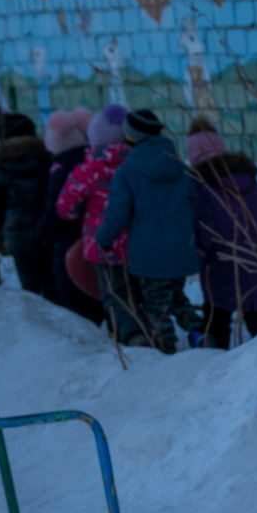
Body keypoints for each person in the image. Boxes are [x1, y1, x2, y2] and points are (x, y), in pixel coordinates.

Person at [96, 109, 199, 352]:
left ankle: (166, 354)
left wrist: (103, 238)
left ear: (129, 136)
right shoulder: (181, 168)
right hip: (181, 250)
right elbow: (194, 204)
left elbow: (117, 214)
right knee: (175, 297)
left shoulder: (128, 171)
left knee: (156, 308)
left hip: (149, 256)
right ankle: (198, 332)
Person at [185, 119, 257, 348]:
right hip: (255, 259)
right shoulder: (249, 179)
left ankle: (216, 364)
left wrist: (197, 253)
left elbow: (207, 224)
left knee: (217, 320)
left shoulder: (204, 185)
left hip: (221, 263)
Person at [54, 104, 131, 337]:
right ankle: (147, 333)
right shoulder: (135, 165)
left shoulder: (87, 169)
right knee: (137, 292)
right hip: (138, 244)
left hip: (102, 246)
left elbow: (65, 208)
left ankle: (125, 340)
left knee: (112, 294)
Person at [36, 109, 106, 324]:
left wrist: (41, 232)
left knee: (75, 308)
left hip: (68, 246)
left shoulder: (61, 171)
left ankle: (85, 352)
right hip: (98, 242)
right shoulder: (93, 162)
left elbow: (57, 212)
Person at [0, 112, 55, 299]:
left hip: (18, 235)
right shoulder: (48, 159)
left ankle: (41, 326)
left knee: (32, 287)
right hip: (51, 230)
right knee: (54, 283)